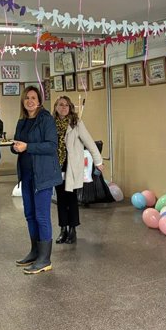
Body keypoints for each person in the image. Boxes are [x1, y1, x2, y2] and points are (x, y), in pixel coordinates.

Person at [11, 86, 61, 274]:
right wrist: (15, 147)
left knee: (41, 216)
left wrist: (28, 147)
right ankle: (35, 251)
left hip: (43, 175)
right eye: (26, 98)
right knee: (30, 214)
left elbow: (51, 146)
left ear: (39, 101)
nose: (30, 101)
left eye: (33, 98)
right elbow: (19, 143)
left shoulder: (46, 119)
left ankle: (45, 259)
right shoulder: (22, 121)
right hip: (27, 175)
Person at [53, 96, 103, 244]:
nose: (64, 108)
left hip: (72, 166)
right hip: (56, 166)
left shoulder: (76, 123)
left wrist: (98, 161)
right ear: (56, 107)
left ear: (70, 108)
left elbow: (89, 142)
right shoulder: (50, 123)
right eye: (61, 105)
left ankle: (73, 229)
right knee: (60, 198)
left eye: (67, 105)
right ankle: (63, 229)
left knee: (71, 198)